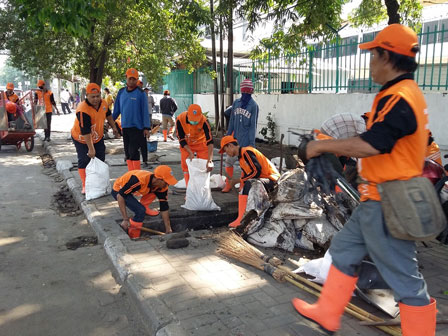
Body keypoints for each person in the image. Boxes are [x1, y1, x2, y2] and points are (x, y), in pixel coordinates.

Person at [291, 24, 437, 336]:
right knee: (343, 251)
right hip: (376, 200)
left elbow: (373, 144)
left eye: (373, 55)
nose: (370, 62)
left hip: (388, 204)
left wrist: (320, 146)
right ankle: (328, 313)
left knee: (404, 279)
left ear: (387, 56)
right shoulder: (398, 94)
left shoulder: (400, 97)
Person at [219, 135, 280, 228]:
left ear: (230, 145)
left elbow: (256, 171)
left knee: (249, 183)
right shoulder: (241, 157)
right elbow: (246, 174)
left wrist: (237, 181)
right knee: (244, 187)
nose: (227, 154)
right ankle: (241, 217)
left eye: (226, 150)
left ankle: (241, 219)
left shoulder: (247, 152)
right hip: (263, 179)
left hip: (271, 179)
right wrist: (241, 187)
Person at [71, 83, 119, 194]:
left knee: (100, 159)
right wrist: (91, 149)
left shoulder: (104, 103)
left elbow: (109, 115)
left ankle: (98, 183)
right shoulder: (83, 109)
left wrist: (114, 127)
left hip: (97, 137)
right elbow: (85, 131)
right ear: (86, 96)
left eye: (98, 96)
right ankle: (85, 185)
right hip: (82, 139)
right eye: (93, 97)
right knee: (84, 159)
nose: (96, 99)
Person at [112, 165, 177, 237]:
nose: (167, 185)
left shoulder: (162, 187)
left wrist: (168, 228)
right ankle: (134, 234)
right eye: (166, 182)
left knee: (156, 192)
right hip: (119, 190)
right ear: (158, 179)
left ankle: (144, 207)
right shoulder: (139, 180)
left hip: (141, 189)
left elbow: (164, 208)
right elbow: (120, 196)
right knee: (140, 211)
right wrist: (125, 219)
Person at [222, 79, 259, 193]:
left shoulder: (253, 106)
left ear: (251, 92)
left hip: (246, 142)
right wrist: (228, 137)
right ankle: (228, 184)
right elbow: (232, 121)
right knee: (229, 162)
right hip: (235, 141)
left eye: (247, 93)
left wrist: (252, 145)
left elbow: (253, 126)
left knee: (245, 166)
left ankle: (243, 186)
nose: (245, 95)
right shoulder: (236, 103)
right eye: (244, 93)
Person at [112, 68, 150, 171]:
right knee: (128, 153)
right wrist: (109, 122)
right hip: (125, 127)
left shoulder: (141, 93)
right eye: (130, 79)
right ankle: (131, 174)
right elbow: (116, 110)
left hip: (137, 128)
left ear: (137, 79)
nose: (132, 81)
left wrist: (146, 127)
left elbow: (145, 111)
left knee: (134, 152)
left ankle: (136, 174)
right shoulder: (121, 92)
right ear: (126, 78)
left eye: (134, 79)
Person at [176, 104, 214, 186]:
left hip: (201, 143)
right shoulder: (180, 119)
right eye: (192, 120)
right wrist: (190, 152)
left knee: (204, 165)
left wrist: (210, 160)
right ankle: (189, 189)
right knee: (186, 164)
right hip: (187, 144)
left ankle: (203, 188)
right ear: (187, 115)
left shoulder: (204, 121)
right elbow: (181, 139)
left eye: (196, 120)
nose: (194, 122)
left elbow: (210, 141)